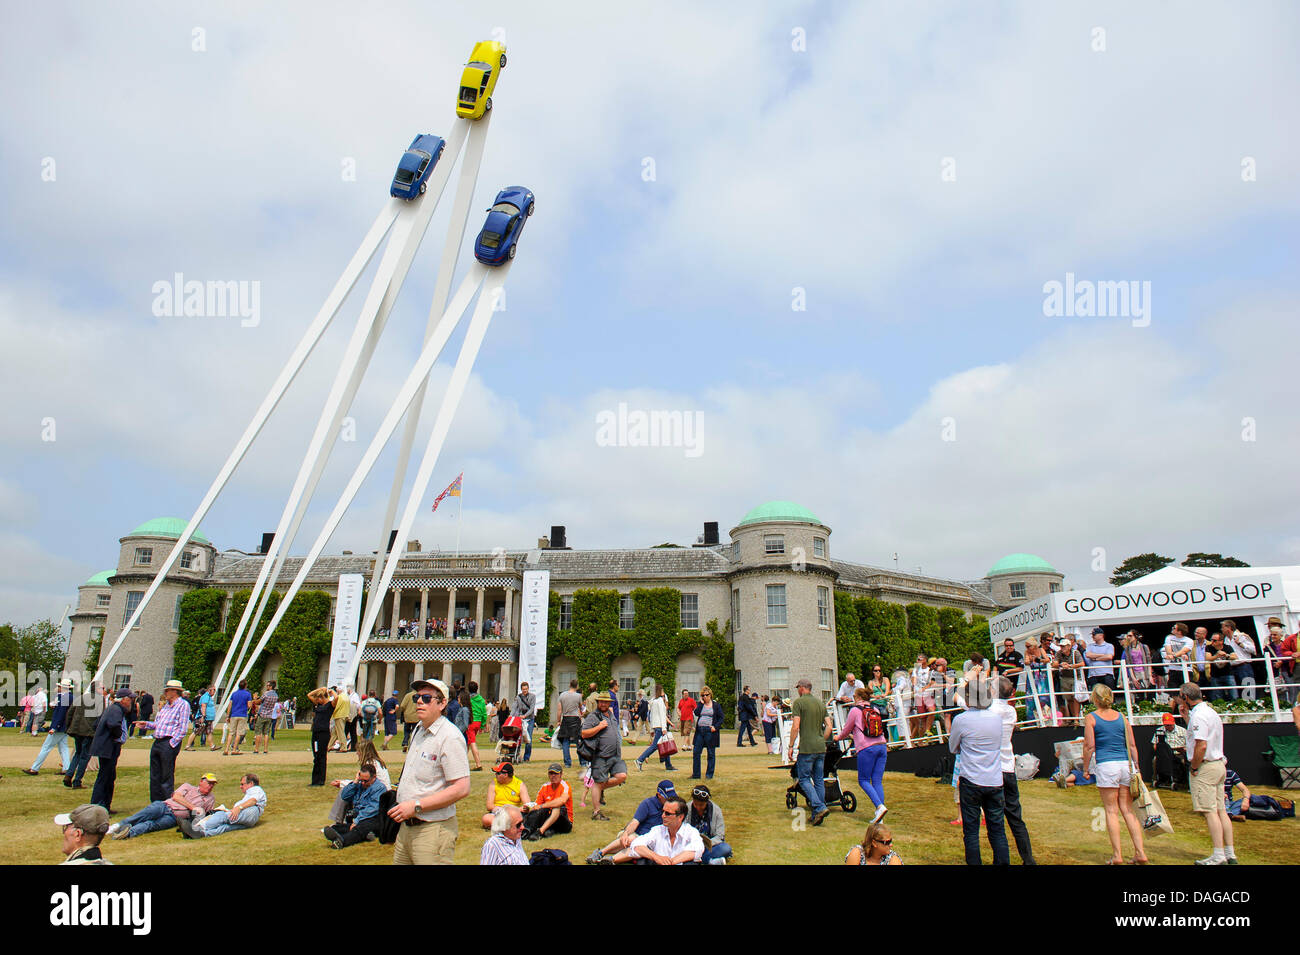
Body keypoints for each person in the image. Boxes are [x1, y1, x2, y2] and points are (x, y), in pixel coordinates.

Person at [388, 678, 471, 865]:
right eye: (417, 697)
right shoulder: (419, 729)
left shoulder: (450, 736)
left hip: (432, 829)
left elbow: (462, 788)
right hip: (406, 827)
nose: (418, 701)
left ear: (442, 703)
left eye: (426, 698)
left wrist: (416, 805)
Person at [1079, 683, 1146, 864]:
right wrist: (1136, 766)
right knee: (1128, 810)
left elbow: (1089, 746)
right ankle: (1140, 852)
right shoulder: (1121, 717)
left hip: (1107, 765)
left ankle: (1117, 855)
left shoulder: (1091, 718)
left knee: (1111, 810)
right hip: (1125, 764)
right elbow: (1132, 744)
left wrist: (1085, 769)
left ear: (1095, 699)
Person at [948, 673, 1010, 865]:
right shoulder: (996, 719)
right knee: (997, 829)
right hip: (994, 779)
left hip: (971, 779)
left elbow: (953, 747)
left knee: (971, 831)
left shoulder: (961, 720)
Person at [1179, 683, 1237, 865]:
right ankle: (1230, 853)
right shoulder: (1209, 712)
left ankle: (1219, 854)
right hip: (1219, 763)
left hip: (1206, 766)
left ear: (1186, 698)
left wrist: (1194, 767)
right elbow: (1200, 735)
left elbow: (1201, 745)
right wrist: (1187, 718)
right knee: (1221, 811)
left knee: (1210, 812)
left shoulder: (1200, 715)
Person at [987, 676, 1035, 864]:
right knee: (1016, 818)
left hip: (994, 769)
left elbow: (967, 703)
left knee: (995, 819)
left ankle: (1001, 860)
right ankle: (1028, 859)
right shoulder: (1011, 711)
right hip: (1008, 767)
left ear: (994, 691)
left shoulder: (990, 710)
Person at [586, 779, 676, 864]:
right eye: (667, 798)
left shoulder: (675, 805)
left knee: (636, 842)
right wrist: (625, 834)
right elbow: (635, 822)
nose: (670, 800)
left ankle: (611, 859)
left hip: (654, 840)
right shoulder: (648, 803)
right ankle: (601, 853)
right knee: (631, 839)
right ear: (659, 795)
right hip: (639, 834)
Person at [108, 772, 218, 840]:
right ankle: (117, 826)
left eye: (213, 784)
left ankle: (127, 833)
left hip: (174, 818)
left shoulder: (210, 799)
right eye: (209, 783)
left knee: (151, 825)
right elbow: (176, 797)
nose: (211, 786)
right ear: (201, 782)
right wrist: (193, 808)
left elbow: (204, 816)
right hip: (164, 806)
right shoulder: (188, 786)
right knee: (144, 814)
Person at [834, 685, 888, 824]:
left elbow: (847, 729)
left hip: (866, 748)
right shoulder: (874, 709)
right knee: (877, 780)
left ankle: (880, 807)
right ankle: (879, 816)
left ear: (857, 698)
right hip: (881, 745)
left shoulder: (855, 710)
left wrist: (838, 738)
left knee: (863, 780)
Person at [131, 678, 189, 802]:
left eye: (168, 690)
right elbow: (159, 724)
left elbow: (182, 728)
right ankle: (155, 803)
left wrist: (171, 744)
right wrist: (146, 724)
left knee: (166, 776)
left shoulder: (183, 705)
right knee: (155, 775)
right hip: (158, 741)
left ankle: (167, 804)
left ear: (175, 691)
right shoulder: (166, 706)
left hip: (168, 743)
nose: (165, 693)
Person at [789, 677, 833, 826]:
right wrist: (823, 738)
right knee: (819, 780)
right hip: (820, 747)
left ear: (801, 688)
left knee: (804, 779)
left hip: (807, 747)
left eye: (798, 688)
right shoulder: (820, 703)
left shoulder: (799, 703)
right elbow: (829, 725)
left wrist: (790, 745)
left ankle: (820, 807)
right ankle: (817, 813)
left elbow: (796, 726)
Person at [580, 690, 627, 819]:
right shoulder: (593, 716)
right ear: (598, 702)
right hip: (601, 755)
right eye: (601, 701)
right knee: (598, 782)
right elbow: (584, 733)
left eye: (606, 702)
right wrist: (599, 727)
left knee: (622, 776)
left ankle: (598, 787)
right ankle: (596, 812)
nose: (603, 704)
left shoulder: (611, 714)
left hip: (615, 756)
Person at [181, 773, 267, 839]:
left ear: (251, 783)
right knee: (225, 827)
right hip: (250, 818)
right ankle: (201, 834)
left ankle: (196, 828)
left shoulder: (256, 789)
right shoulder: (252, 792)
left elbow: (253, 801)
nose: (240, 787)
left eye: (242, 784)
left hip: (251, 811)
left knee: (222, 816)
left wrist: (238, 808)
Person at [323, 762, 387, 849]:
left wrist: (357, 821)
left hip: (373, 819)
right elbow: (344, 796)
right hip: (358, 818)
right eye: (361, 780)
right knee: (337, 827)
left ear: (374, 778)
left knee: (361, 827)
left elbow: (372, 809)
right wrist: (355, 782)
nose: (363, 783)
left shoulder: (379, 788)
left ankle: (342, 841)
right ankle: (366, 835)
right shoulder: (358, 784)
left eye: (366, 781)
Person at [89, 688, 135, 811]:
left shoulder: (113, 708)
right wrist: (118, 736)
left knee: (109, 776)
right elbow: (113, 725)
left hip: (108, 746)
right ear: (123, 699)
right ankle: (97, 806)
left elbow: (96, 724)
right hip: (109, 747)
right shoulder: (116, 709)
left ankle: (104, 806)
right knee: (104, 776)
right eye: (130, 699)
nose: (131, 701)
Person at [24, 679, 74, 776]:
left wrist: (54, 727)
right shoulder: (68, 697)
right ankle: (67, 768)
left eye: (59, 686)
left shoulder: (65, 698)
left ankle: (34, 768)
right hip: (64, 726)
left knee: (46, 747)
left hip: (59, 727)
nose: (58, 688)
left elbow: (61, 713)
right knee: (63, 748)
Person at [522, 763, 573, 840]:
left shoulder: (565, 786)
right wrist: (528, 808)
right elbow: (537, 805)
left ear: (561, 774)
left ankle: (540, 832)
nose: (553, 776)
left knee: (556, 807)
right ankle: (527, 831)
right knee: (535, 811)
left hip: (564, 821)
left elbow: (561, 801)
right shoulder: (545, 787)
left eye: (556, 773)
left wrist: (542, 806)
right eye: (551, 773)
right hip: (550, 819)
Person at [63, 689, 101, 790]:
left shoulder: (80, 698)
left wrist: (68, 727)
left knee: (78, 753)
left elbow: (70, 713)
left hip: (77, 730)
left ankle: (69, 774)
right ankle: (77, 781)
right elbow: (100, 717)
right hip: (89, 732)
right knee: (85, 757)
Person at [686, 783, 732, 864]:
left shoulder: (716, 810)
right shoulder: (687, 808)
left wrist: (708, 844)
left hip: (709, 846)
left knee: (726, 848)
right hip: (691, 845)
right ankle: (709, 861)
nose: (698, 807)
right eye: (695, 804)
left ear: (707, 802)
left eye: (701, 805)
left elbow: (720, 836)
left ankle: (699, 859)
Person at [636, 684, 677, 772]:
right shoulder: (660, 701)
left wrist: (651, 729)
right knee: (655, 746)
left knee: (665, 745)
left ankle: (668, 765)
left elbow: (651, 716)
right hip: (660, 727)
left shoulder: (653, 701)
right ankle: (640, 760)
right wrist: (664, 728)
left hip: (656, 726)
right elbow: (662, 715)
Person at [481, 761, 530, 829]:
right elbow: (489, 806)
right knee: (486, 819)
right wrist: (503, 811)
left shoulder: (520, 784)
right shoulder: (493, 783)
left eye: (498, 773)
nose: (495, 774)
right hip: (499, 812)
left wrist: (517, 810)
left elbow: (528, 805)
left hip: (515, 813)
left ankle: (504, 826)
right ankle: (512, 826)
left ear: (505, 775)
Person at [691, 685, 724, 779]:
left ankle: (709, 774)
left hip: (710, 731)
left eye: (707, 695)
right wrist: (701, 703)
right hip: (700, 731)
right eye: (703, 695)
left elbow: (721, 717)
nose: (705, 697)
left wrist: (715, 727)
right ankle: (696, 774)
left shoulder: (716, 705)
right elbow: (696, 713)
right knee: (696, 752)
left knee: (711, 753)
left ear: (710, 695)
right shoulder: (701, 705)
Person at [1054, 635, 1085, 725]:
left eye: (1064, 646)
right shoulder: (1059, 653)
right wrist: (1061, 665)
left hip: (1075, 677)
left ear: (1069, 646)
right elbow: (1054, 663)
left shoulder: (1076, 652)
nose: (1062, 648)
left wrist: (1070, 666)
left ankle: (1076, 719)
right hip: (1065, 677)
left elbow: (1082, 663)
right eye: (1061, 646)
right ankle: (1074, 718)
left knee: (1076, 698)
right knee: (1069, 699)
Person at [307, 687, 335, 786]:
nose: (317, 700)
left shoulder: (329, 705)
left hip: (323, 733)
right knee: (316, 756)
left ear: (323, 697)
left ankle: (321, 780)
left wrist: (332, 692)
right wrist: (320, 689)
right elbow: (309, 695)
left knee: (322, 756)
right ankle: (314, 780)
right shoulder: (318, 705)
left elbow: (337, 699)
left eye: (319, 698)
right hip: (316, 733)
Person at [1023, 637, 1053, 724]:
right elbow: (1026, 662)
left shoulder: (1041, 650)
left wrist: (1039, 660)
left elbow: (1047, 659)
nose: (1027, 648)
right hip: (1032, 678)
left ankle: (1051, 718)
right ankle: (1032, 722)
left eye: (1029, 646)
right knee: (1030, 699)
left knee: (1045, 697)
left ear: (1034, 646)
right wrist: (1031, 659)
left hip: (1042, 677)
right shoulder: (1027, 652)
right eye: (1026, 646)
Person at [1221, 619, 1258, 690]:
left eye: (1223, 627)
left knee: (1248, 690)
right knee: (1237, 690)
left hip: (1244, 666)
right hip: (1232, 667)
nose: (1221, 629)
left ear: (1229, 627)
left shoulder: (1241, 636)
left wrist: (1240, 644)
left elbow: (1253, 650)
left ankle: (1250, 701)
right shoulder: (1226, 640)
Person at [556, 679, 583, 768]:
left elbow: (559, 710)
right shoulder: (578, 696)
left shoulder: (562, 695)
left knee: (565, 741)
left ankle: (567, 763)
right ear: (577, 686)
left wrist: (558, 720)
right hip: (575, 718)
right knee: (578, 741)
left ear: (569, 685)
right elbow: (580, 707)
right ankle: (582, 762)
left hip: (566, 718)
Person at [1206, 633, 1240, 701]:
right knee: (1218, 696)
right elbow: (1208, 658)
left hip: (1228, 674)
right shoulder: (1208, 647)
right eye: (1211, 640)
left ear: (1221, 641)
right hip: (1215, 675)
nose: (1212, 642)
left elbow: (1235, 657)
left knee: (1233, 694)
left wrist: (1226, 655)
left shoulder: (1227, 647)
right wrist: (1217, 655)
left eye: (1214, 640)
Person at [223, 679, 252, 756]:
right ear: (245, 686)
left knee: (231, 732)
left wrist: (228, 715)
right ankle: (234, 749)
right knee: (239, 733)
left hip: (234, 714)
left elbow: (230, 705)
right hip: (242, 715)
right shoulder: (247, 694)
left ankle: (226, 749)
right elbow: (249, 705)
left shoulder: (234, 694)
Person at [910, 654, 936, 738]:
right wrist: (914, 688)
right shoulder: (916, 670)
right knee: (922, 718)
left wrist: (924, 688)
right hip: (918, 695)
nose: (917, 661)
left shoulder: (930, 670)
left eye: (919, 659)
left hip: (928, 694)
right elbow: (913, 680)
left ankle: (928, 730)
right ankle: (922, 740)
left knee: (931, 710)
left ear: (925, 660)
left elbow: (932, 682)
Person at [512, 681, 537, 762]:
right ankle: (517, 755)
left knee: (528, 739)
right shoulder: (518, 697)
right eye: (523, 689)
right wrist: (511, 717)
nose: (525, 691)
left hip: (530, 719)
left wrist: (525, 715)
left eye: (526, 689)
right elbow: (514, 708)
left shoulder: (533, 696)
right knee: (518, 738)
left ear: (528, 689)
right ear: (521, 689)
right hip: (520, 719)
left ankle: (526, 757)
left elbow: (532, 708)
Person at [185, 685, 215, 751]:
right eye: (213, 690)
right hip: (203, 718)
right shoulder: (206, 696)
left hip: (208, 718)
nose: (214, 692)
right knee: (196, 731)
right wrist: (203, 716)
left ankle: (212, 746)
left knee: (209, 732)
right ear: (209, 690)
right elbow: (203, 706)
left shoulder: (209, 697)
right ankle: (188, 746)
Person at [466, 680, 488, 770]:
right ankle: (462, 761)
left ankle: (478, 764)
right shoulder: (482, 700)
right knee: (467, 742)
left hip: (471, 722)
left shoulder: (468, 700)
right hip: (478, 722)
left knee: (472, 743)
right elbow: (484, 714)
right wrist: (482, 725)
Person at [252, 680, 278, 754]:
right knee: (266, 733)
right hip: (269, 715)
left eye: (268, 686)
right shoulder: (276, 695)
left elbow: (258, 702)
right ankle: (265, 749)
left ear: (271, 686)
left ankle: (256, 749)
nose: (267, 687)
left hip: (262, 714)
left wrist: (254, 699)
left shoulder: (266, 694)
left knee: (258, 732)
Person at [329, 684, 350, 752]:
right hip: (344, 715)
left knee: (340, 732)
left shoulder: (339, 697)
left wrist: (331, 714)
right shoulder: (346, 697)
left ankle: (343, 747)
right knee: (335, 732)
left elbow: (336, 707)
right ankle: (329, 746)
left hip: (339, 715)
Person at [399, 686, 420, 751]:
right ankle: (412, 745)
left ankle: (405, 743)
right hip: (416, 716)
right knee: (415, 731)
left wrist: (404, 711)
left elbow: (402, 705)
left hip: (407, 716)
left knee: (407, 731)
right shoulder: (419, 696)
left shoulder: (408, 695)